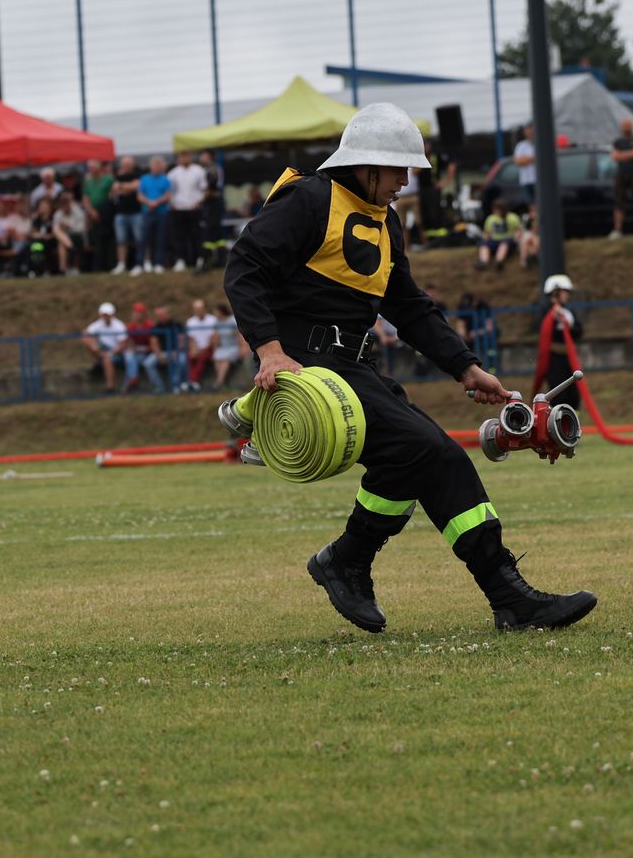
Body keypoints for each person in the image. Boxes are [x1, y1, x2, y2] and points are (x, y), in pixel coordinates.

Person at [223, 102, 593, 633]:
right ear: (366, 165)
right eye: (398, 170)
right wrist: (270, 349)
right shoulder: (308, 198)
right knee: (435, 453)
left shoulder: (385, 220)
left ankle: (347, 559)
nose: (404, 182)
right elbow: (244, 268)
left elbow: (408, 307)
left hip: (357, 367)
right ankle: (507, 596)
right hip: (312, 370)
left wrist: (466, 367)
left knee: (410, 461)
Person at [532, 274, 582, 405]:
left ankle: (572, 422)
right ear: (556, 292)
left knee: (574, 396)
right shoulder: (545, 310)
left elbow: (578, 331)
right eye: (566, 291)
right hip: (554, 359)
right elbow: (543, 329)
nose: (568, 295)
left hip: (569, 358)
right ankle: (557, 422)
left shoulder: (568, 311)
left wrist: (568, 324)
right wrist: (554, 317)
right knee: (559, 394)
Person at [168, 150, 209, 271]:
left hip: (194, 207)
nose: (184, 159)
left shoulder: (199, 171)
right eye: (181, 156)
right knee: (179, 235)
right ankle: (181, 260)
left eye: (186, 156)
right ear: (178, 158)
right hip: (178, 208)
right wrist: (173, 204)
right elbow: (169, 191)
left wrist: (199, 201)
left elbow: (204, 189)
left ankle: (199, 259)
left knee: (197, 234)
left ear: (191, 157)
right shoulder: (173, 174)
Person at [81, 301, 127, 391]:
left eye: (107, 315)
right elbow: (86, 333)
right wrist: (94, 346)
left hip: (118, 353)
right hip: (104, 350)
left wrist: (110, 354)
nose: (105, 317)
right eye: (103, 315)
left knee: (107, 360)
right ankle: (98, 362)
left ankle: (110, 387)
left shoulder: (119, 326)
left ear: (112, 315)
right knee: (89, 340)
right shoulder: (99, 324)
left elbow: (122, 345)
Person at [139, 156, 174, 273]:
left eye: (159, 165)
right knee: (144, 238)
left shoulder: (165, 179)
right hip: (147, 212)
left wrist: (157, 202)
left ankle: (158, 263)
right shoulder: (144, 179)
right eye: (155, 165)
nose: (157, 167)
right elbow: (140, 195)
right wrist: (149, 203)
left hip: (162, 212)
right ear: (151, 166)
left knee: (160, 238)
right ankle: (142, 263)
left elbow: (168, 194)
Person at [110, 157, 144, 276]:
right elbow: (114, 189)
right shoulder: (117, 177)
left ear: (133, 165)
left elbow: (136, 187)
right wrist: (127, 187)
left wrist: (122, 187)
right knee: (121, 240)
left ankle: (139, 263)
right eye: (124, 164)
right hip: (121, 213)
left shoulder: (138, 175)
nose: (126, 166)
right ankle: (121, 264)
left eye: (128, 164)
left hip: (136, 212)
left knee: (138, 240)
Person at [123, 302, 165, 392]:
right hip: (138, 354)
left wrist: (143, 349)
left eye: (138, 312)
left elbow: (154, 344)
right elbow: (130, 344)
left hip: (149, 353)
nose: (135, 314)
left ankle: (159, 387)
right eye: (134, 312)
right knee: (129, 358)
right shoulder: (131, 327)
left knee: (146, 363)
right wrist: (132, 348)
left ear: (143, 314)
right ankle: (132, 382)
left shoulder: (150, 325)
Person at [184, 299, 218, 392]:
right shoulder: (190, 322)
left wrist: (203, 349)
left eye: (200, 308)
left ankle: (192, 381)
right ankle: (191, 381)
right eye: (196, 309)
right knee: (189, 358)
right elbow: (191, 339)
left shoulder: (212, 320)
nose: (198, 311)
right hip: (197, 348)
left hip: (209, 348)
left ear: (205, 309)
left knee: (201, 358)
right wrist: (193, 349)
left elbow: (213, 338)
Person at [210, 302, 245, 388]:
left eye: (216, 311)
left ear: (221, 312)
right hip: (223, 347)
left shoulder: (232, 320)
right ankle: (222, 381)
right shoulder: (217, 322)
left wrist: (242, 348)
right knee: (216, 357)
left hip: (233, 347)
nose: (215, 313)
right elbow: (216, 337)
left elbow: (238, 335)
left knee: (225, 359)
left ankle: (219, 383)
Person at [477, 204, 518, 270]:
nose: (497, 212)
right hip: (494, 241)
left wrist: (516, 238)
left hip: (508, 242)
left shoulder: (512, 217)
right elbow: (486, 232)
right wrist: (485, 239)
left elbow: (519, 230)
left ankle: (498, 261)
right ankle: (484, 262)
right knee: (484, 243)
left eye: (499, 210)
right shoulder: (490, 218)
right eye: (495, 210)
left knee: (505, 243)